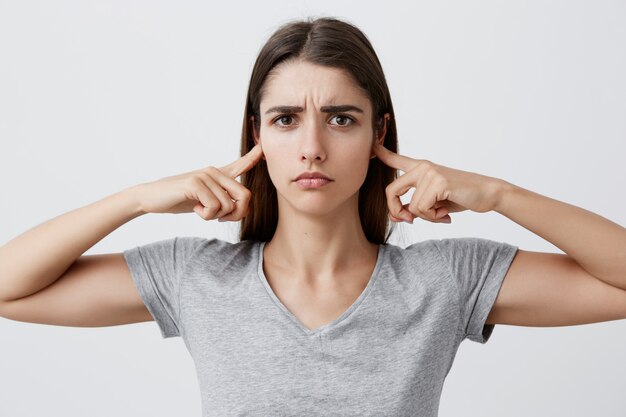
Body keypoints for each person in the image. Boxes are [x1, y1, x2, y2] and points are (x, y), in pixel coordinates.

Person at [1, 16, 625, 417]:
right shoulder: (194, 276)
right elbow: (9, 288)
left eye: (341, 118)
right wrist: (137, 199)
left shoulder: (447, 279)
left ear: (379, 131)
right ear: (257, 134)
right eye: (286, 119)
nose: (312, 147)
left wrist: (498, 194)